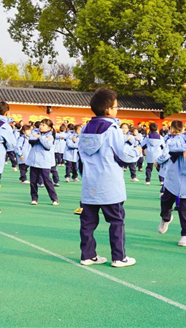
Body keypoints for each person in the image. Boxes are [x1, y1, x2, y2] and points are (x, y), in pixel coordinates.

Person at [78, 88, 142, 267]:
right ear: (108, 110)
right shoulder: (112, 128)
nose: (117, 109)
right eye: (115, 106)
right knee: (116, 221)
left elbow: (80, 156)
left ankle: (88, 255)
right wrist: (136, 152)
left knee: (88, 222)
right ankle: (119, 257)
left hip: (90, 183)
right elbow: (122, 153)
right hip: (109, 183)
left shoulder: (85, 128)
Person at [156, 117, 186, 247]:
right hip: (172, 179)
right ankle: (166, 218)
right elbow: (172, 147)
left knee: (185, 209)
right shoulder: (178, 138)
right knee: (165, 202)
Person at [27, 119, 59, 205]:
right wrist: (42, 139)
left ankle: (54, 198)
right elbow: (31, 139)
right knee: (33, 181)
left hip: (44, 161)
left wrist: (39, 137)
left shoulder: (51, 135)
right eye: (41, 124)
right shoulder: (35, 131)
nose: (41, 126)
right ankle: (34, 198)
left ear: (49, 128)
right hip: (34, 160)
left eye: (44, 125)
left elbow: (47, 146)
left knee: (47, 180)